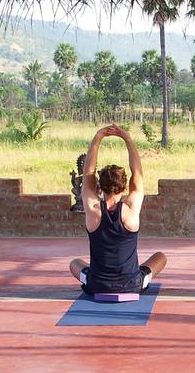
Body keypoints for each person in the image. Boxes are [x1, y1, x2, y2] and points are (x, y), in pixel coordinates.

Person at [69, 124, 167, 295]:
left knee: (75, 263)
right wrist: (127, 138)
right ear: (124, 188)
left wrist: (98, 137)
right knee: (161, 257)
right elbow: (138, 174)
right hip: (132, 285)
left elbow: (88, 174)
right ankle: (140, 278)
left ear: (100, 187)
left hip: (96, 285)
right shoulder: (130, 209)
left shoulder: (93, 209)